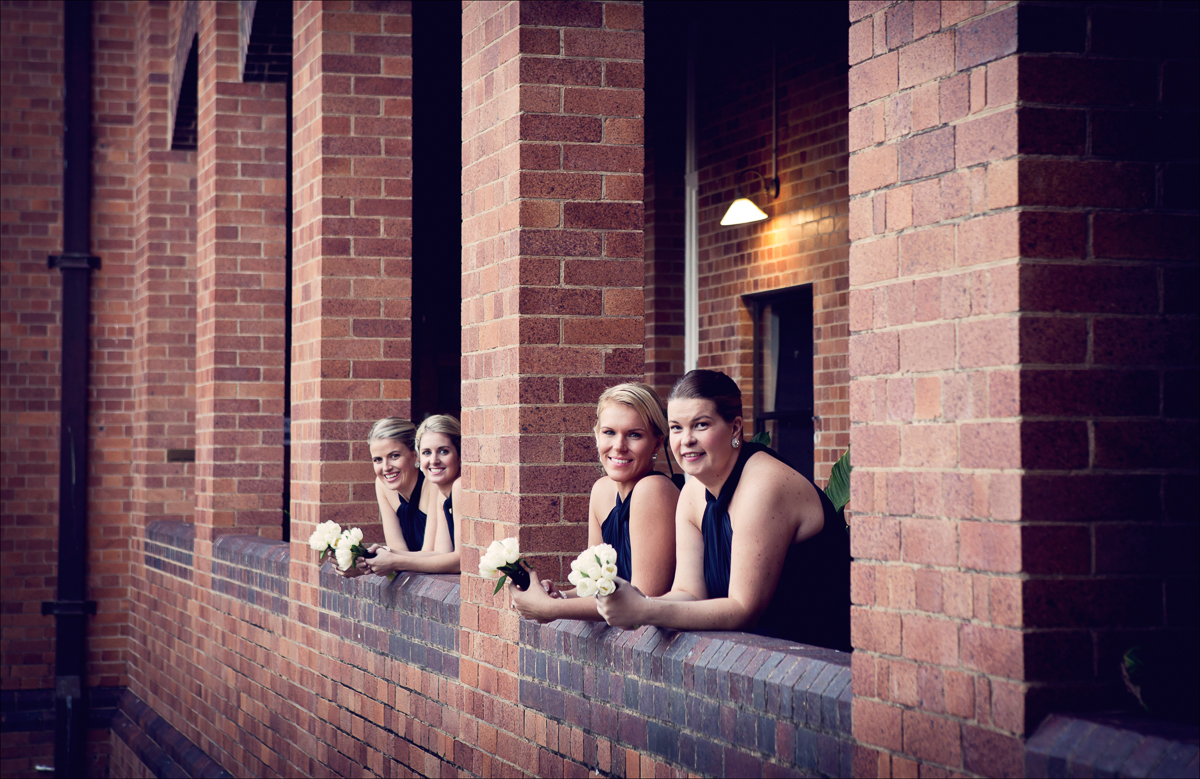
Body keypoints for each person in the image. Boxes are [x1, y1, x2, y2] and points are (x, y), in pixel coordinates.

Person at [595, 369, 851, 650]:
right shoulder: (693, 493)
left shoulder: (763, 485)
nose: (686, 439)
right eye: (677, 428)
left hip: (820, 658)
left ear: (735, 428)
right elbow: (689, 593)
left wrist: (645, 610)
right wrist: (634, 602)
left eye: (701, 425)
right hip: (750, 655)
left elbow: (743, 609)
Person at [510, 383, 679, 623]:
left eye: (634, 435)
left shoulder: (654, 490)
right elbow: (594, 587)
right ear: (596, 435)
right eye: (609, 432)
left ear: (657, 443)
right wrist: (558, 595)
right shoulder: (602, 490)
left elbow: (640, 602)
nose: (619, 446)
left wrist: (550, 608)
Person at [359, 414, 463, 576]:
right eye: (427, 452)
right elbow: (440, 554)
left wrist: (394, 561)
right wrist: (365, 558)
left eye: (443, 451)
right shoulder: (444, 490)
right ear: (420, 455)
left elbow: (460, 560)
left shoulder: (455, 485)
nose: (434, 460)